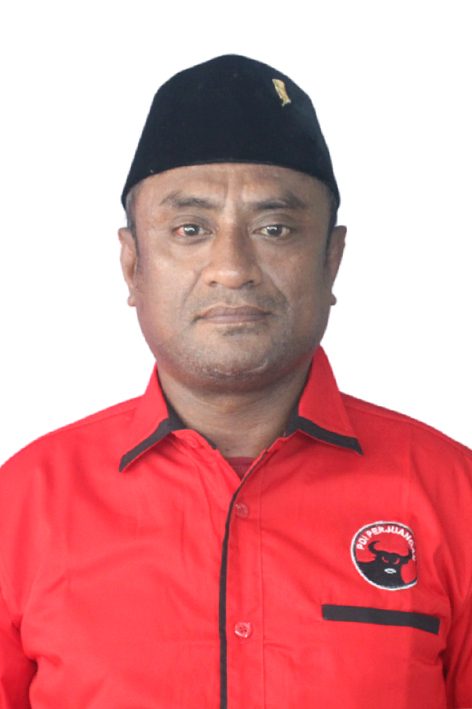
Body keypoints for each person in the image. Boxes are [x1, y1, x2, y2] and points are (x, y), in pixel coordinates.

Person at [0, 54, 470, 709]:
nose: (231, 266)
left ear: (331, 261)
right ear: (133, 266)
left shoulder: (454, 498)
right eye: (190, 229)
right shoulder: (22, 505)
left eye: (274, 229)